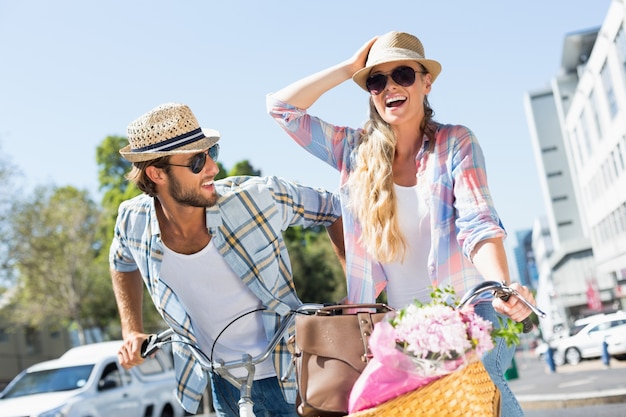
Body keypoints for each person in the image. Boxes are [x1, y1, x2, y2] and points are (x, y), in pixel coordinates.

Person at [267, 31, 536, 416]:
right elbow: (281, 109)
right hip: (400, 326)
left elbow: (478, 221)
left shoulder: (455, 143)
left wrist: (503, 286)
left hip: (472, 309)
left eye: (403, 75)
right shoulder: (354, 151)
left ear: (427, 82)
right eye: (377, 80)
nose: (389, 86)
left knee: (483, 385)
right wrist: (349, 68)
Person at [109, 102, 343, 417]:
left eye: (211, 153)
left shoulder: (256, 198)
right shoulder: (132, 220)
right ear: (155, 173)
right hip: (222, 384)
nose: (213, 168)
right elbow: (121, 260)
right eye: (196, 161)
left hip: (293, 374)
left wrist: (355, 296)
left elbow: (335, 208)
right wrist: (131, 330)